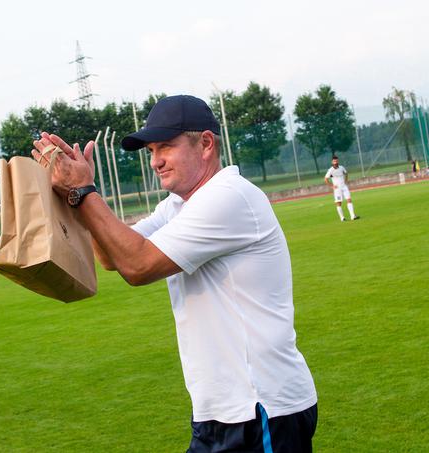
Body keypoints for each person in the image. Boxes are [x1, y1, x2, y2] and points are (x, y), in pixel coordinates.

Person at [32, 95, 317, 452]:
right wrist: (77, 198)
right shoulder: (179, 206)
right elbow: (113, 257)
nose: (155, 161)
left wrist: (84, 192)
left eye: (166, 146)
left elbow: (137, 266)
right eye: (151, 150)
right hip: (220, 411)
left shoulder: (229, 197)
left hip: (262, 410)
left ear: (206, 144)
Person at [324, 156, 360, 221]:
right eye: (334, 161)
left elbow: (346, 173)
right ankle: (342, 218)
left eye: (336, 161)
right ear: (332, 162)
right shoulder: (330, 170)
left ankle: (352, 216)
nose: (336, 162)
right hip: (337, 189)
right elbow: (326, 179)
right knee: (339, 203)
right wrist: (332, 186)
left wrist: (346, 181)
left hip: (344, 187)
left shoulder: (341, 167)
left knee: (349, 200)